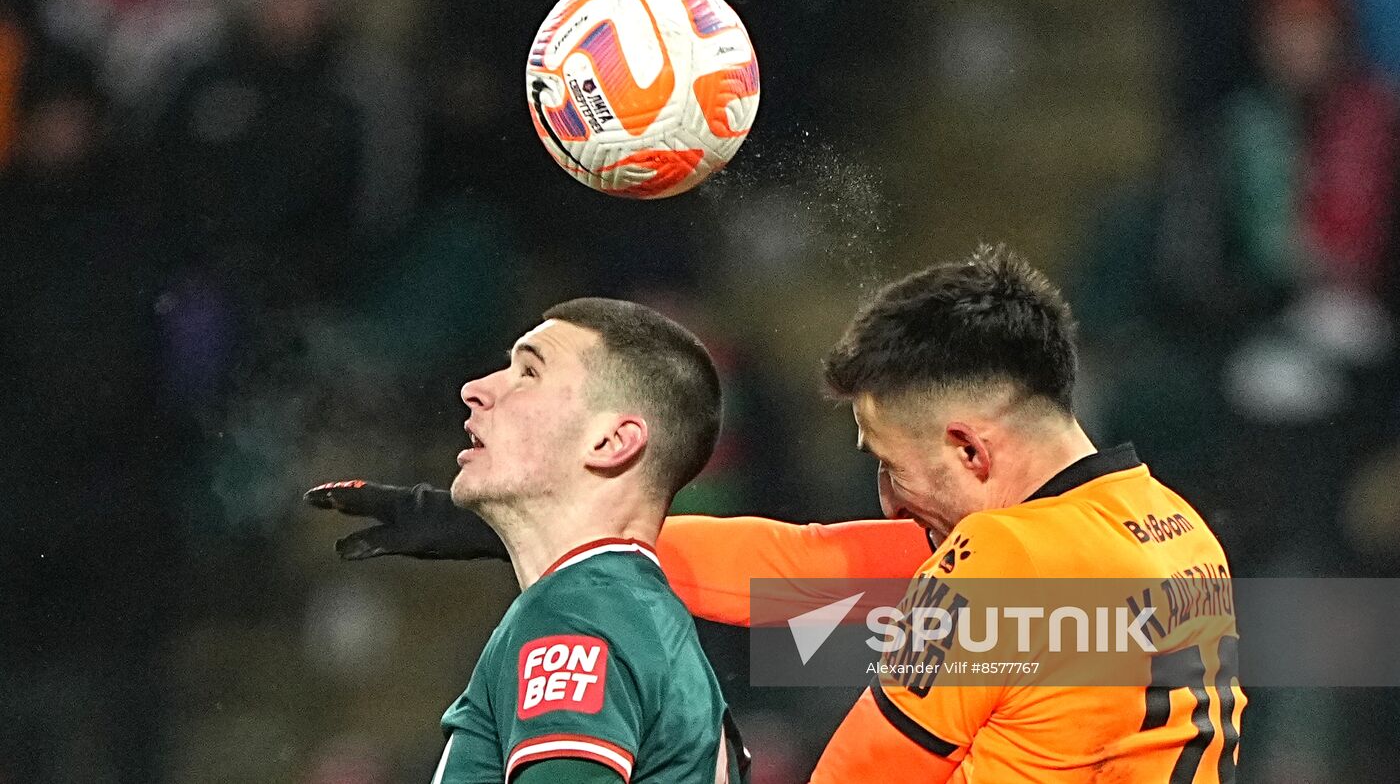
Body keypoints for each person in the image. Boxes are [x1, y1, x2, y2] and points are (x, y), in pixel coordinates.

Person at [310, 246, 1244, 780]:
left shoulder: (1001, 565)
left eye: (890, 465)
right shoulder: (1166, 530)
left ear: (969, 449)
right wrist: (504, 520)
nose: (886, 500)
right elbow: (799, 565)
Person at [315, 298, 749, 783]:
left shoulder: (576, 617)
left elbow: (822, 618)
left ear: (609, 441)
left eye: (529, 372)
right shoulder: (630, 614)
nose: (474, 388)